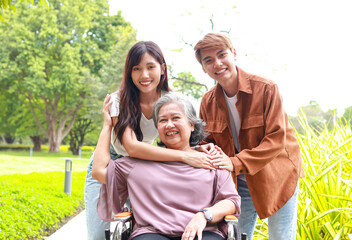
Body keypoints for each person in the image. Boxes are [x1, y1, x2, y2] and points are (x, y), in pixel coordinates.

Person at [84, 41, 215, 240]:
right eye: (137, 69)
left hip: (141, 164)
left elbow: (177, 136)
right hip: (110, 161)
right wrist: (184, 156)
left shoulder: (170, 100)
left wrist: (197, 148)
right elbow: (131, 147)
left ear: (162, 69)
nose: (144, 75)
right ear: (129, 72)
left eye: (150, 67)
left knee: (142, 229)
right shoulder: (119, 100)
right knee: (98, 235)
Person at [194, 33, 305, 239]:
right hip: (237, 180)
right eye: (208, 60)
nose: (217, 63)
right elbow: (206, 139)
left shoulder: (266, 88)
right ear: (203, 67)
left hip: (277, 175)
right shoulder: (207, 101)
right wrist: (204, 147)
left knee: (281, 236)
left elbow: (276, 139)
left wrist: (234, 161)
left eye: (221, 55)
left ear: (233, 53)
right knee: (236, 235)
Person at [92, 92, 241, 240]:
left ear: (191, 125)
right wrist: (107, 125)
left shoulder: (211, 161)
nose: (169, 125)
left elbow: (231, 201)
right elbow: (99, 171)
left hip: (203, 231)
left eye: (176, 118)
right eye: (162, 120)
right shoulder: (138, 164)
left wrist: (204, 215)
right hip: (151, 233)